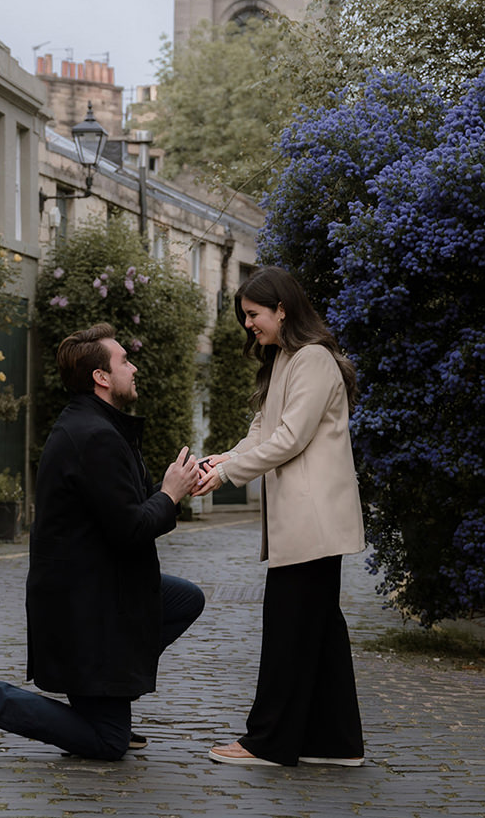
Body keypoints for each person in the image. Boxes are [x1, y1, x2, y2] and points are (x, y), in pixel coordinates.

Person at [0, 322, 206, 760]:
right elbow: (130, 529)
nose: (134, 368)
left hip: (97, 589)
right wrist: (170, 495)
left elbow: (121, 510)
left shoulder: (101, 427)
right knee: (107, 744)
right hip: (83, 608)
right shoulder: (94, 437)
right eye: (124, 361)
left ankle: (108, 699)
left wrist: (180, 485)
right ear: (101, 377)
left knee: (182, 600)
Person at [196, 265, 367, 767]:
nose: (248, 324)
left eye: (253, 314)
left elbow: (289, 439)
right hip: (305, 522)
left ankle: (267, 743)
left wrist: (227, 475)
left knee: (290, 633)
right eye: (245, 316)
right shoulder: (284, 360)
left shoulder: (312, 359)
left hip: (312, 521)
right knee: (319, 633)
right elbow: (260, 432)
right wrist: (219, 461)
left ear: (282, 309)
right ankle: (336, 744)